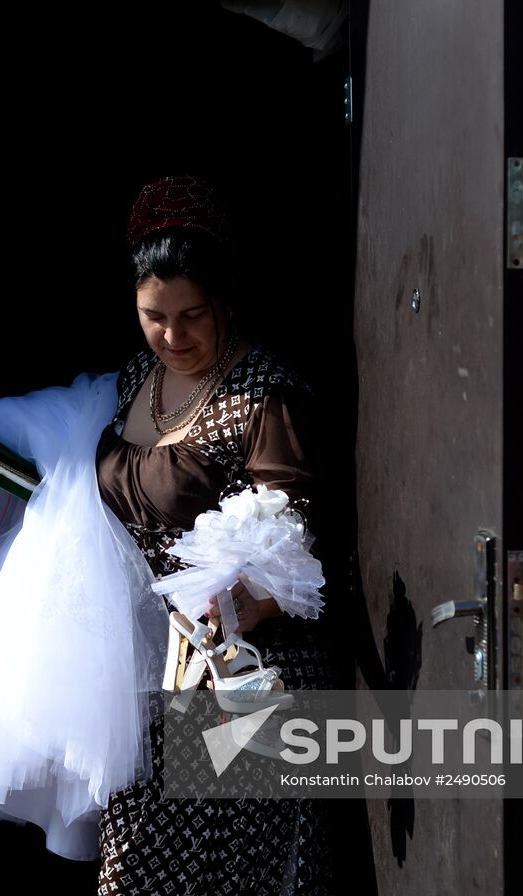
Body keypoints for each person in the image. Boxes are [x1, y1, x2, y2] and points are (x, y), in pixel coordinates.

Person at [93, 174, 345, 893]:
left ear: (225, 299)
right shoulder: (137, 375)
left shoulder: (265, 391)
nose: (173, 336)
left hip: (240, 673)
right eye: (154, 315)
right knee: (136, 867)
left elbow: (302, 543)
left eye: (192, 315)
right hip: (152, 671)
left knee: (224, 873)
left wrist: (244, 602)